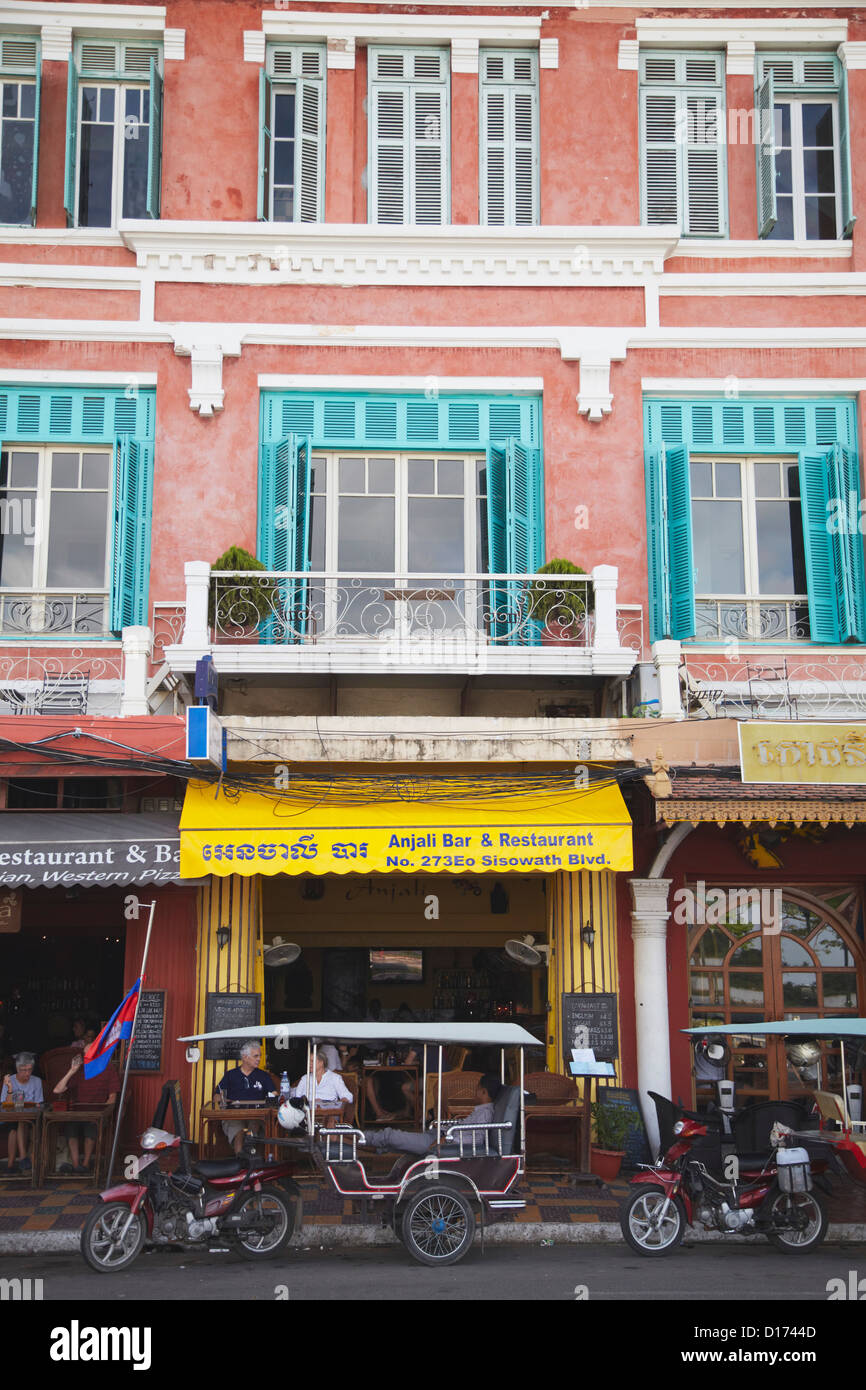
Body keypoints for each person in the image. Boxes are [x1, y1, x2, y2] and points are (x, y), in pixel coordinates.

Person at [362, 1074, 501, 1155]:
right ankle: (352, 1140)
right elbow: (465, 1129)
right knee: (390, 1144)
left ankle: (356, 1137)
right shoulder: (481, 1110)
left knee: (390, 1135)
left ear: (483, 1092)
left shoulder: (485, 1114)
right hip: (438, 1135)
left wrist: (447, 1139)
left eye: (476, 1089)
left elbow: (477, 1140)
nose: (474, 1092)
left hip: (440, 1143)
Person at [53, 1052, 119, 1173]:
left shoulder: (108, 1068)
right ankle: (76, 1164)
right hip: (77, 1113)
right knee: (71, 1129)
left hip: (97, 1113)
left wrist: (104, 1113)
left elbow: (112, 1097)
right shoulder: (79, 1070)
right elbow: (57, 1090)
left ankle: (85, 1164)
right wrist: (72, 1071)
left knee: (90, 1130)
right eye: (86, 1055)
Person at [214, 1042, 277, 1155]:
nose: (259, 1059)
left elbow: (274, 1094)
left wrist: (273, 1096)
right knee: (239, 1132)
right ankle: (240, 1161)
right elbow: (217, 1096)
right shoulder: (230, 1075)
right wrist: (223, 1099)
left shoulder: (264, 1076)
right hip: (234, 1115)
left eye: (260, 1056)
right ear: (245, 1057)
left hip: (257, 1115)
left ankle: (252, 1161)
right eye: (255, 1056)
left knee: (253, 1126)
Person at [1, 1052, 44, 1173]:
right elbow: (6, 1105)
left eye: (30, 1070)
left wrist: (20, 1105)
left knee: (22, 1122)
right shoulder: (10, 1080)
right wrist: (9, 1088)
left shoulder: (37, 1081)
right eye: (24, 1070)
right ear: (17, 1069)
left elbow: (38, 1104)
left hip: (31, 1117)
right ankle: (15, 1162)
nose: (27, 1073)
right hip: (11, 1116)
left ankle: (22, 1159)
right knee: (14, 1127)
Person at [366, 1043, 419, 1122]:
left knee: (406, 1080)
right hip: (432, 1077)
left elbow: (408, 1062)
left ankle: (417, 1113)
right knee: (371, 1079)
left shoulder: (418, 1045)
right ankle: (379, 1112)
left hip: (429, 1078)